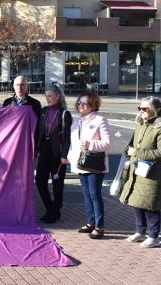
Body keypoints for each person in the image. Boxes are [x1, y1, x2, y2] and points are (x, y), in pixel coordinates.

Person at [120, 96, 161, 248]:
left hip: (151, 172)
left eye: (145, 108)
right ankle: (141, 231)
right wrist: (128, 150)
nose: (141, 111)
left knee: (151, 205)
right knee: (137, 202)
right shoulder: (140, 125)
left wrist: (137, 152)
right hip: (137, 170)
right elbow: (132, 144)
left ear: (155, 110)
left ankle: (154, 236)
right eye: (140, 108)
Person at [68, 92, 113, 239]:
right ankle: (90, 223)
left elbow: (109, 143)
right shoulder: (77, 121)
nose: (81, 105)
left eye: (84, 103)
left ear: (93, 105)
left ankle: (100, 227)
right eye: (79, 102)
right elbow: (73, 143)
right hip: (81, 163)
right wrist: (69, 156)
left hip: (94, 163)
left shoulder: (100, 120)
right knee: (87, 195)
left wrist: (90, 144)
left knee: (95, 195)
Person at [35, 84, 72, 224]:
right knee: (39, 182)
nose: (48, 98)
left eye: (50, 96)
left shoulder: (64, 114)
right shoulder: (44, 111)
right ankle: (50, 208)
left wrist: (64, 155)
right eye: (46, 96)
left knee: (57, 184)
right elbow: (38, 131)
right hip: (44, 150)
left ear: (58, 96)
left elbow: (68, 136)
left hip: (58, 154)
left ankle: (55, 212)